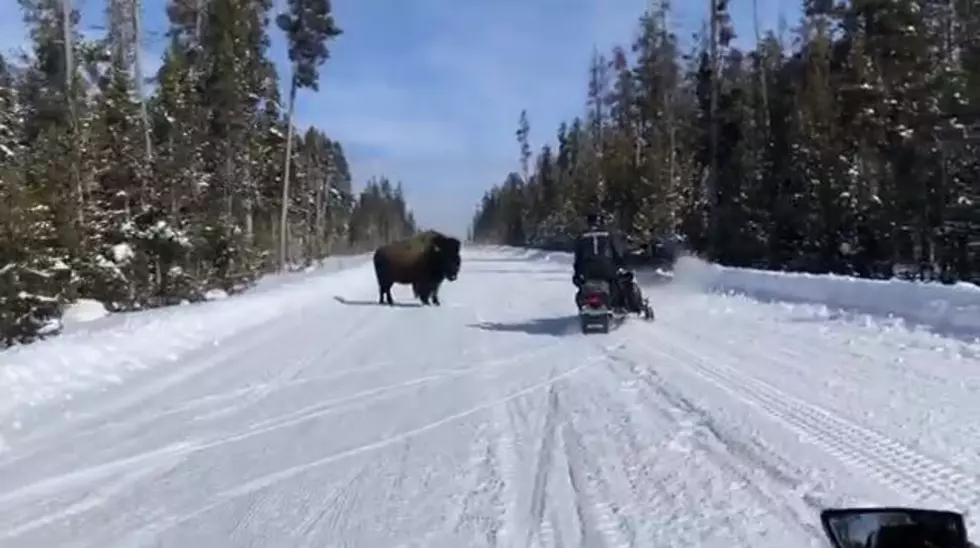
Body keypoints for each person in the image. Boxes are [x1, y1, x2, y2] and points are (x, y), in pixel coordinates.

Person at [572, 211, 632, 310]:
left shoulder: (581, 236)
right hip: (606, 268)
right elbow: (615, 253)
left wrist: (577, 273)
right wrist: (622, 265)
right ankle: (619, 306)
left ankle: (586, 306)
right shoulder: (608, 234)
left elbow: (578, 257)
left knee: (584, 287)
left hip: (588, 270)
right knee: (617, 283)